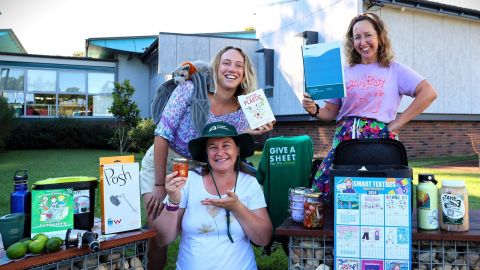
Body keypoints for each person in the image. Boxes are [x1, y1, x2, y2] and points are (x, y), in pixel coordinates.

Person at [141, 46, 274, 269]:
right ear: (216, 68)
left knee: (203, 220)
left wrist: (255, 130)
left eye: (239, 65)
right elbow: (163, 133)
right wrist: (158, 184)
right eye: (226, 63)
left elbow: (228, 143)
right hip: (165, 157)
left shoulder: (245, 108)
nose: (232, 69)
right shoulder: (192, 89)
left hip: (203, 161)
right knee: (158, 233)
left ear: (245, 72)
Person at [302, 12, 438, 203]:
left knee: (380, 193)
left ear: (380, 36)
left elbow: (428, 92)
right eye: (357, 37)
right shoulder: (343, 71)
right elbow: (331, 111)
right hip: (345, 142)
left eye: (368, 35)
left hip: (381, 141)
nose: (362, 42)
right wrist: (314, 110)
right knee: (324, 191)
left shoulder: (394, 69)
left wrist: (397, 124)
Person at [153, 121, 273, 269]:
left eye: (226, 145)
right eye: (213, 147)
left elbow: (263, 239)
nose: (220, 152)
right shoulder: (187, 182)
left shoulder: (249, 184)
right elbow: (162, 239)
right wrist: (173, 201)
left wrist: (237, 207)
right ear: (206, 153)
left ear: (237, 150)